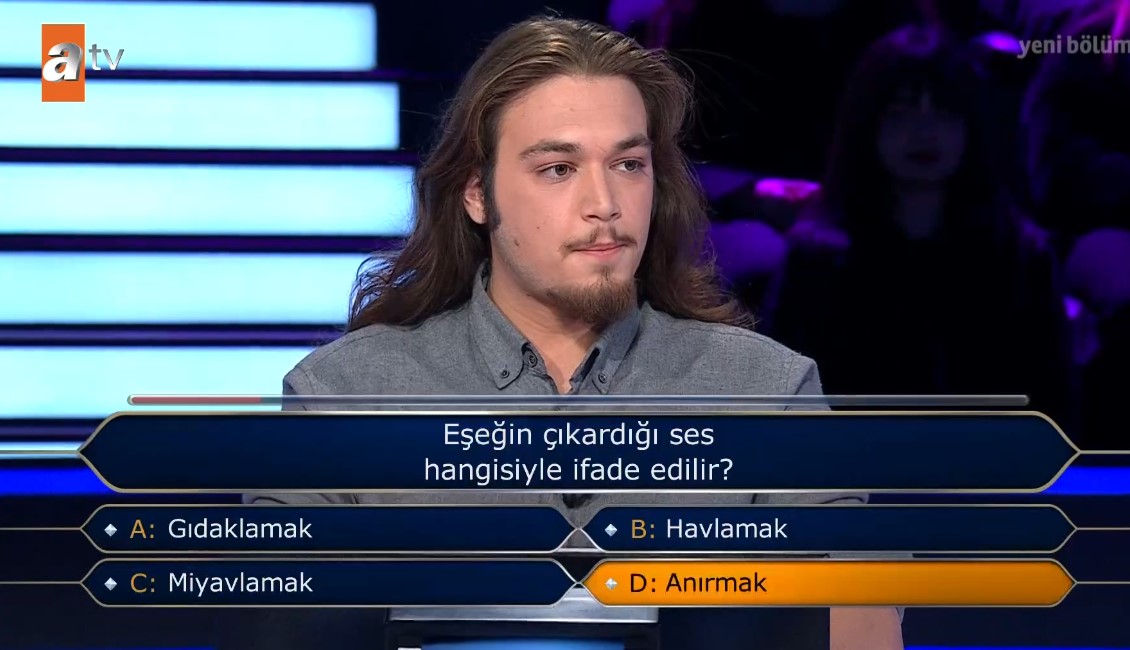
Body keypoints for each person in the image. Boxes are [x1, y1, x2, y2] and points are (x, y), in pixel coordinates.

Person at [247, 16, 904, 649]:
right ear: (477, 193)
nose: (605, 205)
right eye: (558, 169)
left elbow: (858, 621)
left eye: (629, 164)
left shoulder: (770, 395)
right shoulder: (339, 400)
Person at [764, 25, 1075, 430]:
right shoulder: (817, 261)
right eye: (901, 113)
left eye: (943, 112)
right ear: (868, 125)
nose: (924, 133)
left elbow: (1054, 408)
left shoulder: (1020, 257)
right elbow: (785, 408)